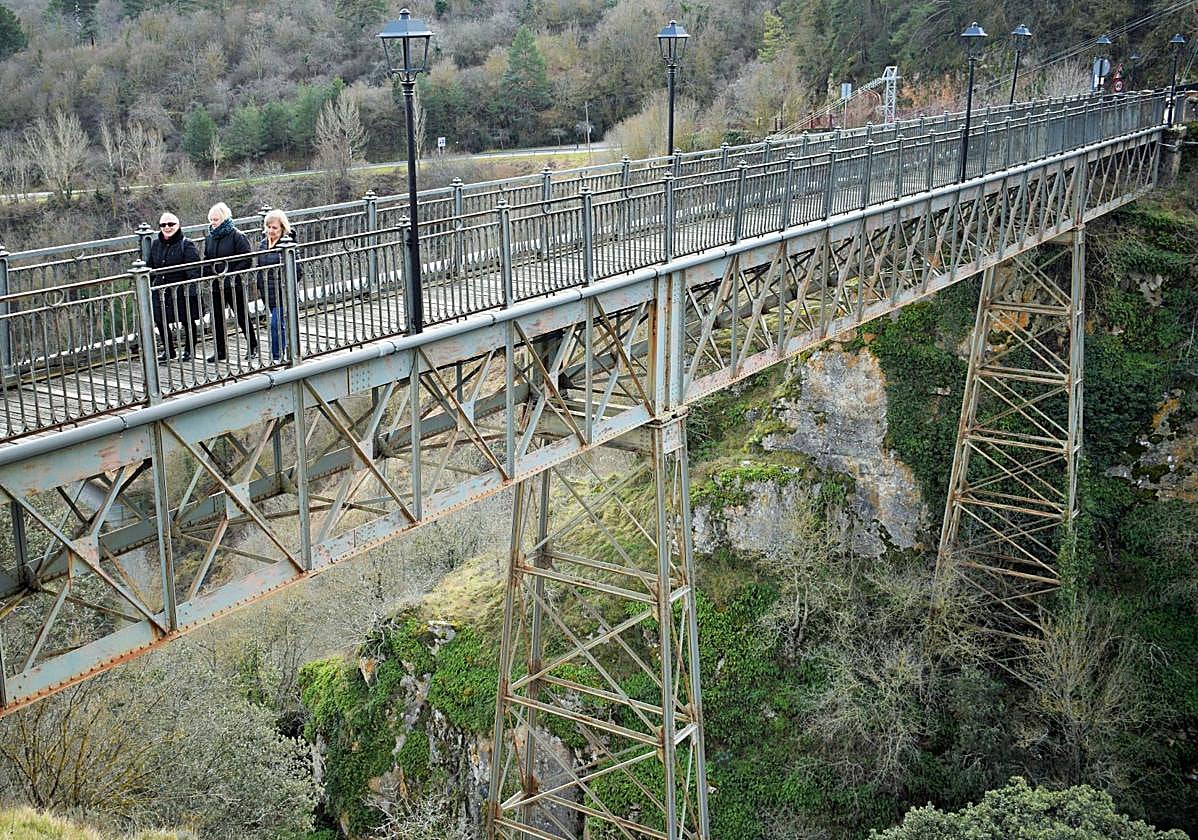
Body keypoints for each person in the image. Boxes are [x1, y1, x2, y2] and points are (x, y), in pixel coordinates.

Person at [203, 202, 257, 362]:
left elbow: (247, 258)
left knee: (241, 316)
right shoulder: (210, 238)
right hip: (216, 283)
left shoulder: (237, 236)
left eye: (216, 219)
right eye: (211, 219)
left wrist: (230, 274)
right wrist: (209, 272)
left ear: (224, 218)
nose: (213, 222)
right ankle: (220, 351)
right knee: (217, 318)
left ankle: (253, 345)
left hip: (234, 283)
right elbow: (207, 258)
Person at [148, 213, 201, 361]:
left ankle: (190, 350)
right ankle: (169, 350)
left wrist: (189, 289)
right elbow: (150, 266)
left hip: (181, 290)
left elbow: (194, 270)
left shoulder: (187, 244)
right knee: (160, 320)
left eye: (171, 224)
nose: (167, 227)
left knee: (186, 320)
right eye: (163, 225)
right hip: (161, 290)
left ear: (178, 225)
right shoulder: (156, 244)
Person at [256, 209, 294, 362]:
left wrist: (285, 284)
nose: (271, 231)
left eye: (275, 228)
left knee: (276, 324)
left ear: (283, 228)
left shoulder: (288, 245)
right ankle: (282, 352)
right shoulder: (263, 244)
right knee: (279, 324)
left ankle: (278, 356)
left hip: (283, 292)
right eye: (269, 227)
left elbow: (297, 270)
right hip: (268, 292)